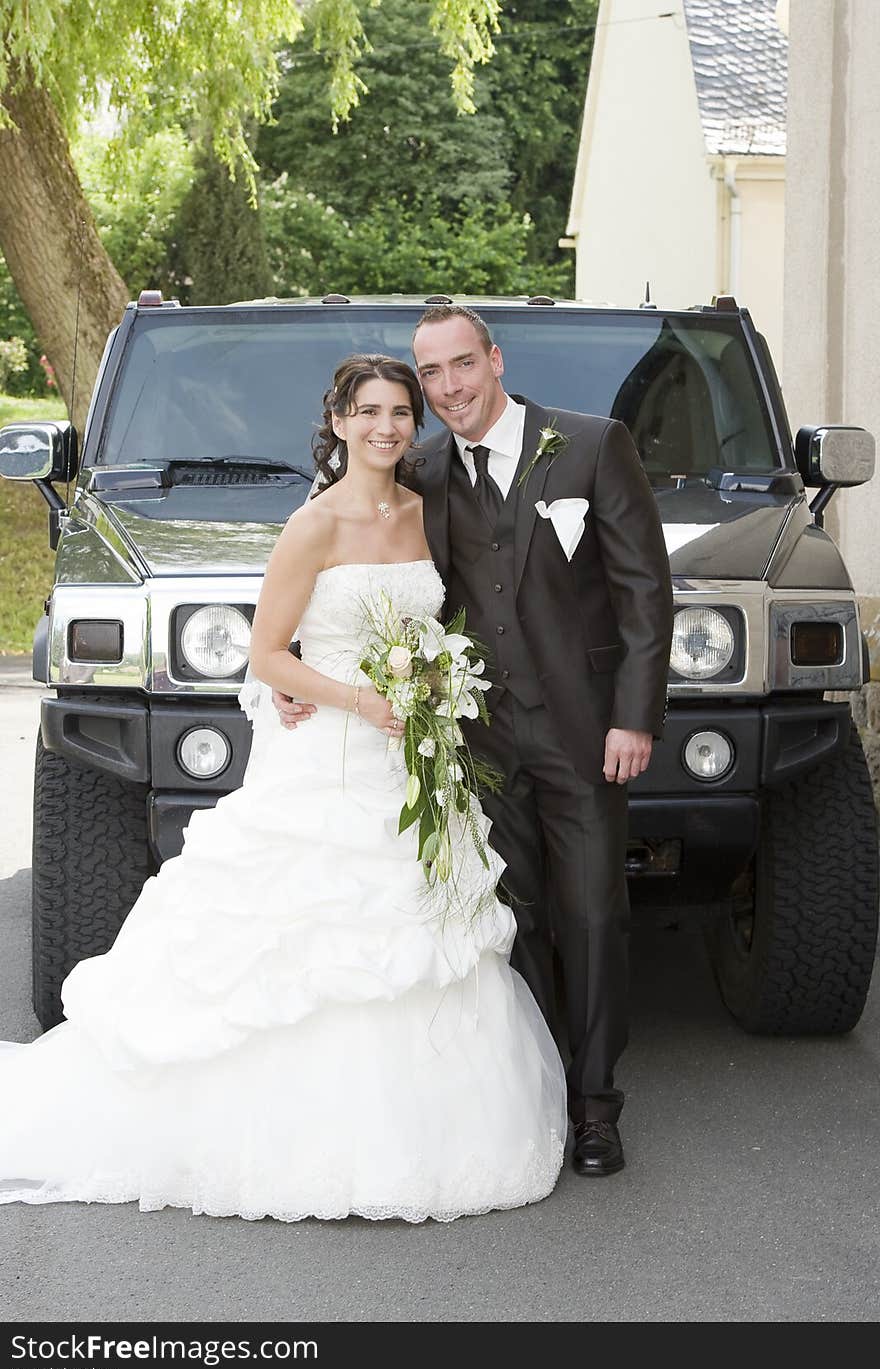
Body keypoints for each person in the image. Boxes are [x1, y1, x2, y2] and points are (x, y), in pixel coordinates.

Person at [0, 354, 567, 1223]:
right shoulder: (313, 524)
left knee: (425, 930)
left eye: (400, 412)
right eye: (368, 411)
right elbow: (266, 654)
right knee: (309, 941)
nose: (386, 427)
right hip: (331, 757)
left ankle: (417, 1133)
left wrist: (433, 690)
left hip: (412, 758)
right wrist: (355, 698)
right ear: (338, 421)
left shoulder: (425, 512)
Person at [276, 309, 674, 1177]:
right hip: (471, 744)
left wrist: (634, 715)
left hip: (584, 733)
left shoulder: (590, 445)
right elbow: (365, 576)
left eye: (464, 364)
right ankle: (535, 1095)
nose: (450, 386)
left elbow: (647, 592)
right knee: (506, 919)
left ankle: (598, 1106)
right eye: (433, 374)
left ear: (495, 360)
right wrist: (294, 669)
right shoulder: (417, 471)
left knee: (594, 913)